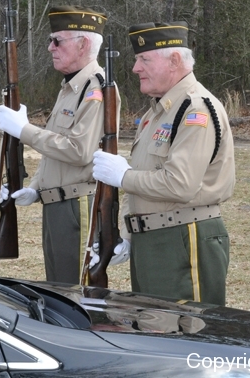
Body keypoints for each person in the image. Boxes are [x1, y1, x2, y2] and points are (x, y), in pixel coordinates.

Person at [92, 21, 235, 305]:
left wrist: (123, 177)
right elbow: (142, 184)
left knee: (188, 325)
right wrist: (127, 236)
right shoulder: (155, 114)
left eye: (144, 59)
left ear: (174, 61)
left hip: (183, 238)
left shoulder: (195, 109)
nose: (136, 68)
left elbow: (180, 184)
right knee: (152, 323)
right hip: (151, 240)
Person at [0, 5, 123, 284]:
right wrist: (35, 188)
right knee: (58, 287)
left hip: (75, 207)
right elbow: (55, 153)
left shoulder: (96, 88)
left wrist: (24, 130)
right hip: (56, 204)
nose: (50, 47)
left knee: (74, 292)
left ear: (83, 44)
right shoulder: (70, 88)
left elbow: (79, 151)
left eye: (57, 41)